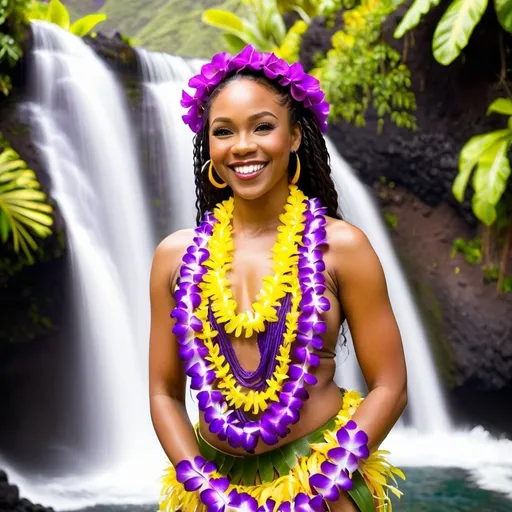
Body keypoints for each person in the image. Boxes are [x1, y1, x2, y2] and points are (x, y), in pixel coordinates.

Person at [149, 45, 407, 512]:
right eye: (223, 131)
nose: (242, 146)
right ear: (208, 146)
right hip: (212, 490)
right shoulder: (175, 257)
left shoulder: (342, 248)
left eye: (262, 126)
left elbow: (390, 385)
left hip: (321, 486)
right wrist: (207, 490)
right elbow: (163, 393)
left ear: (293, 137)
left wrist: (328, 479)